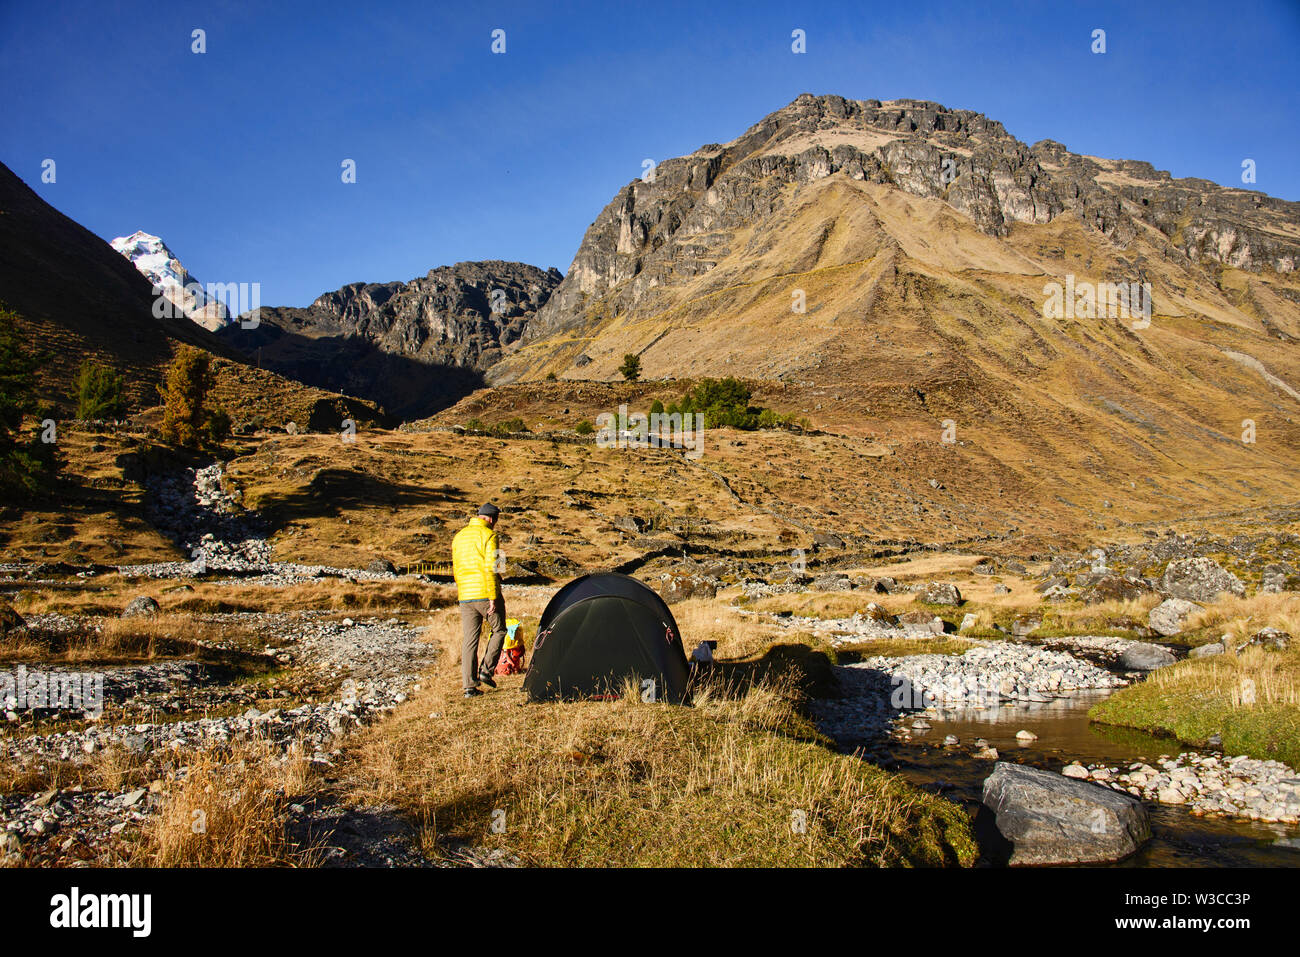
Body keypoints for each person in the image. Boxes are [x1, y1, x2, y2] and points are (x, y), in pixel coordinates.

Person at [452, 503, 507, 698]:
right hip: (486, 592)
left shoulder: (459, 536)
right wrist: (493, 596)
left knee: (470, 639)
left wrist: (462, 589)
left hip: (465, 595)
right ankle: (486, 670)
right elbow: (495, 568)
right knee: (500, 630)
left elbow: (456, 568)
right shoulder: (491, 536)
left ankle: (469, 686)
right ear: (492, 519)